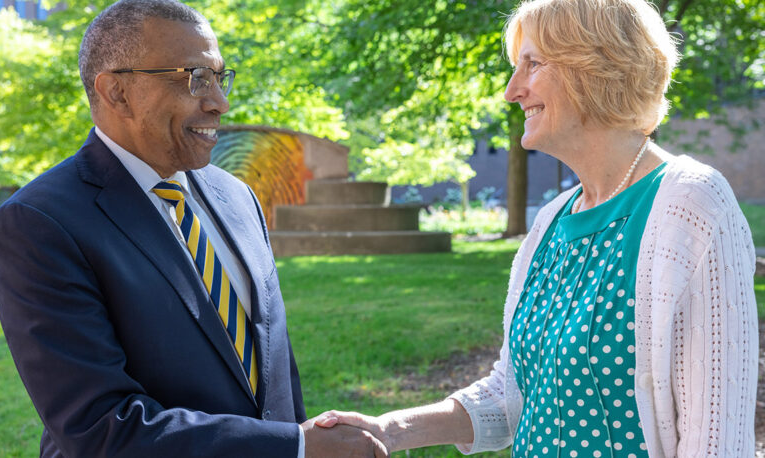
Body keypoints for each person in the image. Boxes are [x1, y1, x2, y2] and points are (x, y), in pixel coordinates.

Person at [315, 0, 758, 456]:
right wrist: (390, 428)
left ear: (597, 67)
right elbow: (515, 392)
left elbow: (716, 442)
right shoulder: (552, 220)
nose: (512, 91)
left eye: (532, 64)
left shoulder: (691, 203)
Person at [0, 0, 387, 456]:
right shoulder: (39, 222)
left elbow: (274, 370)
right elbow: (100, 428)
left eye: (220, 77)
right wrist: (293, 447)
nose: (220, 102)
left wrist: (297, 439)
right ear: (117, 92)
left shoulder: (237, 196)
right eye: (195, 78)